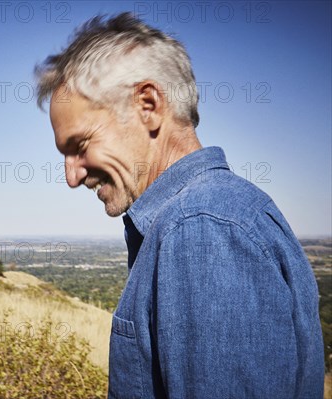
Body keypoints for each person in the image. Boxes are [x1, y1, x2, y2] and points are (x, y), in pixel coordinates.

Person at [35, 13, 324, 399]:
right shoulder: (207, 218)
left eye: (80, 146)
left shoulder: (201, 228)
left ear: (148, 105)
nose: (71, 176)